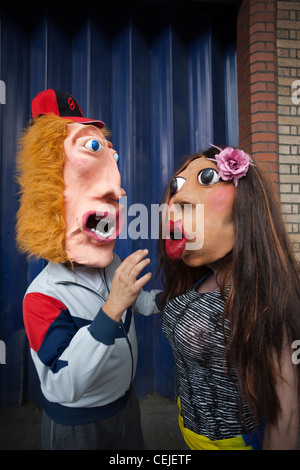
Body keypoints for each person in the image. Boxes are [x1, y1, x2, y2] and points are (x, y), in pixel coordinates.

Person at [16, 89, 160, 450]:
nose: (118, 190)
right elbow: (64, 384)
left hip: (127, 409)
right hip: (78, 428)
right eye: (91, 150)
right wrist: (111, 308)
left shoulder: (108, 264)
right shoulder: (41, 296)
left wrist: (181, 295)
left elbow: (139, 303)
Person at [158, 145, 300, 450]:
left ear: (247, 208)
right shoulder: (201, 279)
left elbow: (286, 416)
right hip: (190, 432)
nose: (176, 199)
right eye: (175, 187)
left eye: (207, 178)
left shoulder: (265, 298)